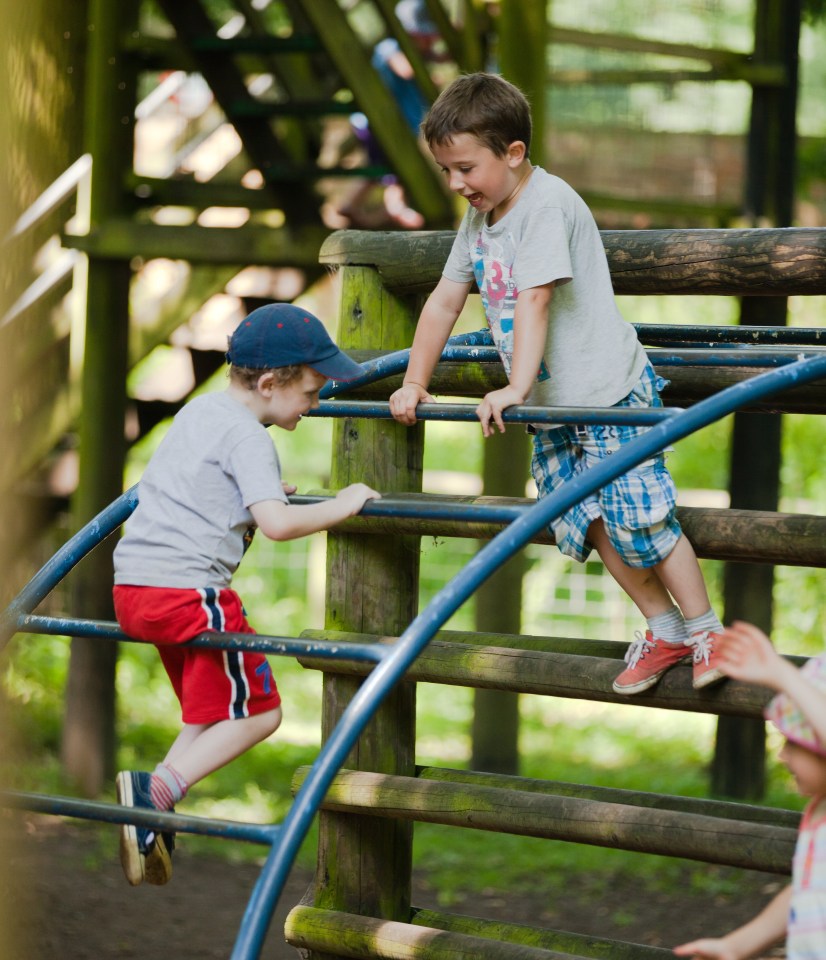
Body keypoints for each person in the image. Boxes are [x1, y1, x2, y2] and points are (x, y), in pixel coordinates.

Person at [387, 72, 724, 696]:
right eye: (446, 172)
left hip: (605, 395)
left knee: (641, 517)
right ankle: (665, 628)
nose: (457, 184)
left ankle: (707, 630)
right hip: (554, 404)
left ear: (513, 153)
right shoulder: (479, 220)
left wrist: (514, 389)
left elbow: (535, 298)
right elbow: (442, 301)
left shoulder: (546, 203)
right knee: (584, 514)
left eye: (466, 168)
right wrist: (414, 380)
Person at [112, 303, 380, 887]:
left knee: (213, 711)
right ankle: (156, 791)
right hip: (189, 592)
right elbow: (279, 525)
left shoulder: (201, 412)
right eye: (311, 391)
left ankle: (151, 812)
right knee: (261, 712)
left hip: (135, 586)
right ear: (268, 384)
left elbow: (196, 487)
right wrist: (345, 503)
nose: (314, 404)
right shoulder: (249, 439)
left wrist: (253, 495)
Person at [674, 620, 826, 959]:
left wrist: (786, 675)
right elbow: (810, 892)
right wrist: (735, 946)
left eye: (794, 741)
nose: (783, 755)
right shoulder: (820, 815)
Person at [338, 0, 444, 229]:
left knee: (383, 168)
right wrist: (430, 75)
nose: (429, 43)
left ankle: (356, 206)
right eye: (425, 37)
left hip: (395, 125)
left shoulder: (415, 53)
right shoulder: (390, 48)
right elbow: (404, 69)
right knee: (392, 169)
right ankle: (395, 208)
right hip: (378, 124)